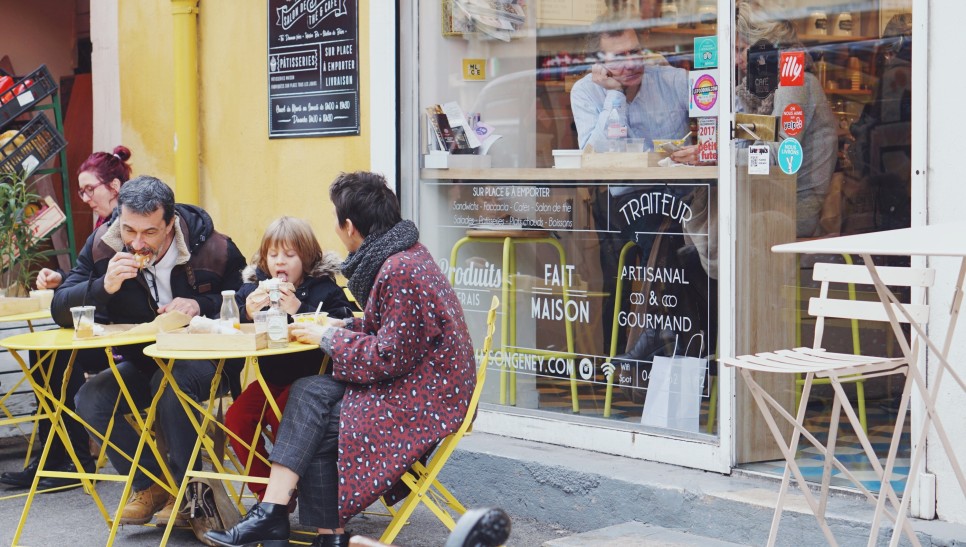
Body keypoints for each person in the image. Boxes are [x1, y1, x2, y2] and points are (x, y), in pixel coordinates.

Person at [205, 172, 477, 547]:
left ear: (349, 226)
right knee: (309, 391)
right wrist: (343, 323)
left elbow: (388, 355)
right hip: (424, 381)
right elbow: (395, 330)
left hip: (428, 397)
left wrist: (328, 336)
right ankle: (302, 524)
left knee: (320, 419)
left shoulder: (398, 269)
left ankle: (291, 521)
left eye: (336, 219)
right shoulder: (405, 255)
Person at [51, 176, 246, 526]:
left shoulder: (215, 248)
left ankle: (192, 497)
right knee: (90, 397)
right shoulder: (102, 247)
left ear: (170, 223)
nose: (136, 242)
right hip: (145, 362)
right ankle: (152, 485)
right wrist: (102, 286)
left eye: (150, 233)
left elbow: (247, 302)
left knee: (169, 387)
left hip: (209, 360)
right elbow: (60, 308)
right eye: (129, 230)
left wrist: (200, 304)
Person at [0, 145, 134, 491]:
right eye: (82, 190)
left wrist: (77, 284)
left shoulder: (127, 224)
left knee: (55, 355)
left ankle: (71, 458)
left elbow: (116, 283)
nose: (85, 197)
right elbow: (91, 276)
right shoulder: (106, 224)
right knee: (47, 353)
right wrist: (63, 279)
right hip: (103, 325)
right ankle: (61, 455)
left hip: (125, 333)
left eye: (91, 189)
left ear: (115, 187)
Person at [226, 216, 356, 502]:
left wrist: (300, 308)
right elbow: (227, 320)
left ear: (307, 258)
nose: (279, 262)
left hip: (312, 381)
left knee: (280, 417)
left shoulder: (325, 288)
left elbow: (347, 323)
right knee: (235, 419)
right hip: (269, 379)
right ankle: (267, 495)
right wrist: (245, 311)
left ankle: (284, 494)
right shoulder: (254, 289)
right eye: (273, 255)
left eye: (289, 255)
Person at [735, 0, 837, 237]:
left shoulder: (794, 81)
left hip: (794, 208)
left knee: (722, 225)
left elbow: (780, 154)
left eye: (740, 49)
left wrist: (718, 158)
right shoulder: (764, 90)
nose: (735, 59)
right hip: (777, 199)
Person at [570, 12, 699, 164]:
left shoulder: (674, 80)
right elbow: (592, 160)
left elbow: (726, 120)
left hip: (679, 185)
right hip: (621, 187)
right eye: (618, 57)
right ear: (598, 62)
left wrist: (704, 152)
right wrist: (615, 93)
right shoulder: (585, 91)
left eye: (634, 52)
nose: (631, 65)